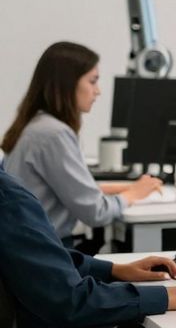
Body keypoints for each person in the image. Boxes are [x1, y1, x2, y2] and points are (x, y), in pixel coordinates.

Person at [0, 167, 176, 328]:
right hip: (36, 321)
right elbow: (72, 302)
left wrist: (115, 270)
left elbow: (35, 255)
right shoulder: (7, 196)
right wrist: (174, 296)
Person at [2, 42, 164, 251]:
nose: (98, 91)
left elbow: (60, 190)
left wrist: (123, 188)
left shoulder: (36, 125)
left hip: (31, 250)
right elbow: (96, 213)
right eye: (92, 81)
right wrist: (132, 195)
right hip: (47, 253)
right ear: (67, 84)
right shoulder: (53, 134)